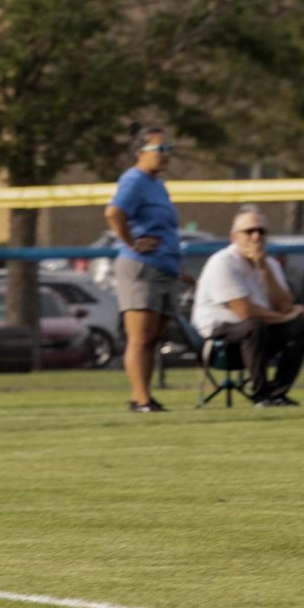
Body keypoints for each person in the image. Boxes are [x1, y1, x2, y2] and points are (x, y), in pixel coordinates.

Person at [191, 206, 304, 406]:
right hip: (220, 342)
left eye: (261, 231)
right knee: (253, 326)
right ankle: (261, 395)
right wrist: (285, 318)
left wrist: (263, 269)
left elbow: (284, 305)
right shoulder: (222, 263)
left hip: (259, 337)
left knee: (300, 326)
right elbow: (243, 311)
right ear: (234, 237)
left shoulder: (270, 264)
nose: (256, 237)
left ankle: (277, 393)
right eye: (249, 231)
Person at [105, 124, 184, 413]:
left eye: (169, 150)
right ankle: (140, 399)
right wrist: (133, 243)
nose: (165, 155)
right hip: (141, 267)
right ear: (140, 153)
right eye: (159, 149)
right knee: (140, 337)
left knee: (153, 338)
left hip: (162, 267)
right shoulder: (134, 179)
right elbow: (114, 213)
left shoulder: (157, 184)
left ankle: (144, 395)